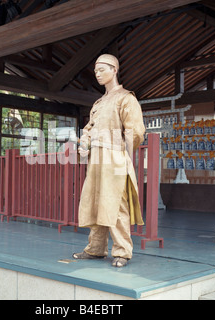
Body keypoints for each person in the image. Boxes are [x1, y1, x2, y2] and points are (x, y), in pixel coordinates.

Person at [72, 54, 145, 267]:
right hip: (96, 160)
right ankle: (95, 249)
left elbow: (136, 131)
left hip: (114, 157)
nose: (97, 74)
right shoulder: (99, 102)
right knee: (96, 202)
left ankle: (122, 251)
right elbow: (89, 128)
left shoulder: (126, 98)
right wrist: (84, 142)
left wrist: (120, 149)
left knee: (116, 204)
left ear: (114, 70)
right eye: (95, 71)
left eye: (102, 69)